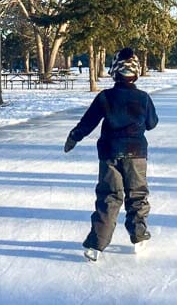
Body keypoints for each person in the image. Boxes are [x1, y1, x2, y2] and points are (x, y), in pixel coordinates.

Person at [63, 47, 158, 262]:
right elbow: (152, 124)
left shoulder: (105, 97)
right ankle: (139, 235)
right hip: (136, 155)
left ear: (114, 72)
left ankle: (96, 246)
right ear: (136, 73)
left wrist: (74, 137)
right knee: (137, 194)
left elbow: (88, 121)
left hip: (109, 153)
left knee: (109, 197)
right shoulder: (143, 98)